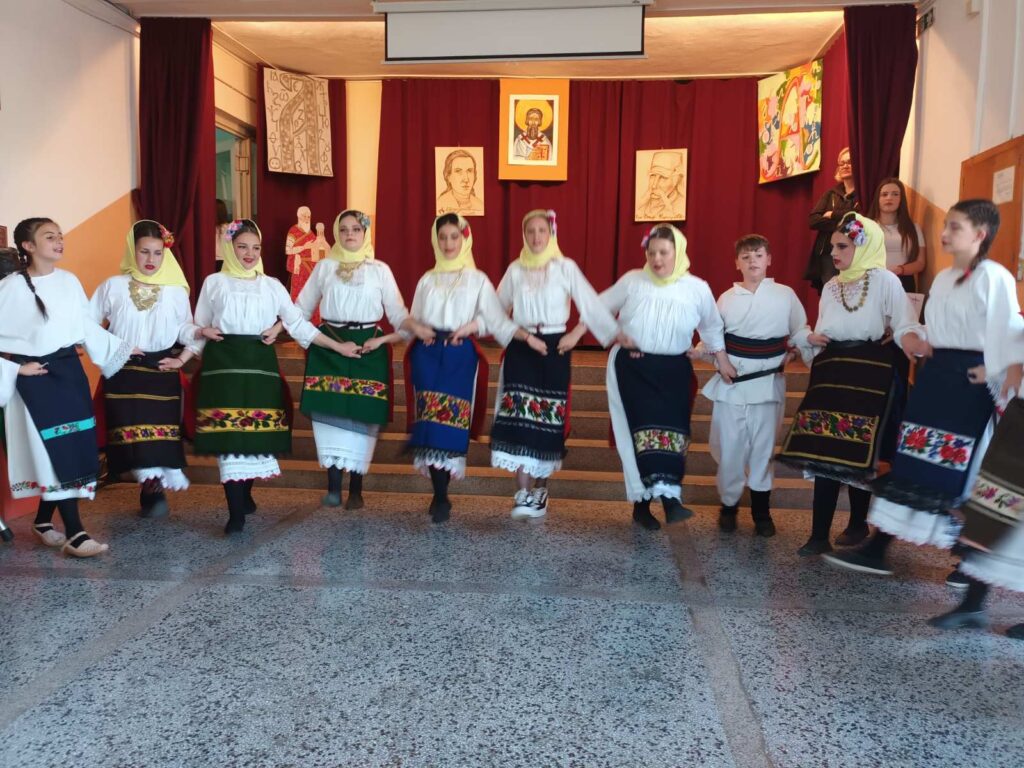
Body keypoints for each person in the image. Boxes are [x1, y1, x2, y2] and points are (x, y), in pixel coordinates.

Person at [825, 200, 1024, 581]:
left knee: (958, 470)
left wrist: (999, 367)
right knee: (914, 462)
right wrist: (921, 339)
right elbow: (941, 328)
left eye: (955, 227)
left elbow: (1009, 328)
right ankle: (878, 548)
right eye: (945, 225)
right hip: (937, 378)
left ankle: (971, 564)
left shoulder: (994, 276)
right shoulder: (945, 279)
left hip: (970, 382)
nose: (944, 233)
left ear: (980, 234)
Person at [191, 219, 357, 535]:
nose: (249, 253)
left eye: (255, 247)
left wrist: (336, 346)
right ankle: (235, 514)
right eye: (242, 246)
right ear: (230, 247)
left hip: (260, 368)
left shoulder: (271, 285)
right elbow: (197, 325)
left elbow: (298, 323)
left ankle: (245, 494)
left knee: (255, 438)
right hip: (224, 369)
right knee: (229, 439)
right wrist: (195, 340)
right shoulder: (215, 282)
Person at [779, 213, 922, 556]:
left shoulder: (886, 280)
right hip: (832, 369)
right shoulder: (831, 286)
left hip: (869, 370)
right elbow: (825, 327)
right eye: (833, 247)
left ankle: (857, 524)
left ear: (863, 246)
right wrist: (811, 340)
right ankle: (818, 534)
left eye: (842, 246)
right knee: (823, 450)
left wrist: (911, 340)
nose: (834, 253)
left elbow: (905, 323)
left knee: (860, 449)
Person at [0, 218, 138, 557]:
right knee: (53, 453)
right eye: (50, 236)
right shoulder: (10, 287)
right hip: (34, 382)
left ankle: (43, 521)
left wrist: (121, 347)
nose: (59, 241)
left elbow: (85, 326)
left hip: (69, 374)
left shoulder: (69, 280)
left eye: (60, 235)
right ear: (28, 246)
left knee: (71, 449)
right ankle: (76, 534)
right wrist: (16, 368)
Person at [490, 209, 618, 519]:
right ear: (524, 235)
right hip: (522, 345)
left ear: (551, 234)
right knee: (520, 418)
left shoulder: (565, 267)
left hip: (554, 345)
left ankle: (541, 490)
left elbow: (592, 304)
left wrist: (576, 333)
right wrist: (520, 334)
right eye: (530, 231)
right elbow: (493, 310)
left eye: (541, 231)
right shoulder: (516, 269)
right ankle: (522, 493)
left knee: (546, 419)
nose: (536, 237)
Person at [601, 223, 728, 530]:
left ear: (678, 252)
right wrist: (616, 333)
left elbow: (712, 327)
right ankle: (651, 505)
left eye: (663, 252)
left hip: (674, 371)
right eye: (652, 252)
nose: (657, 259)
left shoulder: (697, 288)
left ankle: (668, 497)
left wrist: (721, 360)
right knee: (641, 433)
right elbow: (597, 307)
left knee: (673, 434)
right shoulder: (633, 281)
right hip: (634, 368)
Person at [403, 214, 521, 524]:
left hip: (459, 354)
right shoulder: (427, 279)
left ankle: (442, 493)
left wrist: (471, 326)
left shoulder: (476, 278)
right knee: (429, 422)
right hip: (428, 353)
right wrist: (419, 329)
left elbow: (494, 317)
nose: (448, 243)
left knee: (450, 422)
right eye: (442, 237)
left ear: (464, 239)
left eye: (454, 236)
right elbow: (414, 317)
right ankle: (440, 494)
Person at [295, 210, 410, 510]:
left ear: (365, 233)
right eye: (344, 229)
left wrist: (393, 336)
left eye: (356, 229)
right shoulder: (325, 267)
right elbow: (299, 311)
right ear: (337, 233)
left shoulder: (380, 270)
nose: (349, 234)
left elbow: (398, 315)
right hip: (330, 346)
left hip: (367, 348)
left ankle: (356, 489)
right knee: (331, 417)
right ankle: (333, 487)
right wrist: (312, 338)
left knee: (362, 416)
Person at [702, 234, 810, 537]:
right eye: (746, 257)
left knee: (763, 448)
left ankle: (762, 511)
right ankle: (729, 506)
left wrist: (798, 348)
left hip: (767, 381)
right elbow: (713, 336)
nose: (753, 261)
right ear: (736, 263)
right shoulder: (726, 298)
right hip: (733, 381)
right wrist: (719, 360)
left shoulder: (785, 295)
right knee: (731, 447)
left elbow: (799, 331)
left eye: (758, 255)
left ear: (769, 259)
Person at [90, 220, 196, 518]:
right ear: (131, 251)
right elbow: (86, 323)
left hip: (161, 369)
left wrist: (184, 357)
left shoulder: (175, 291)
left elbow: (185, 327)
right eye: (144, 251)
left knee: (160, 435)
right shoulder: (113, 286)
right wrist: (118, 347)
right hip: (124, 370)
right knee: (132, 434)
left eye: (158, 252)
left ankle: (154, 488)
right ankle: (148, 484)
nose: (151, 259)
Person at [804, 147, 857, 293]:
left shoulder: (864, 193)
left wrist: (832, 214)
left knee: (851, 296)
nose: (845, 166)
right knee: (831, 296)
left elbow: (859, 219)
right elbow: (813, 220)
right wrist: (842, 223)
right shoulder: (831, 194)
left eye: (849, 162)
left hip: (855, 253)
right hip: (828, 254)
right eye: (842, 163)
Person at [867, 177, 926, 293]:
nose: (889, 198)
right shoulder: (866, 227)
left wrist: (900, 270)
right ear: (877, 199)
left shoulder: (914, 228)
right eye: (884, 194)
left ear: (901, 199)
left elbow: (920, 263)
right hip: (872, 281)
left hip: (903, 282)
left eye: (895, 194)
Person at [635, 151, 687, 221]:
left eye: (663, 177)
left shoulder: (681, 205)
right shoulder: (642, 203)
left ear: (677, 180)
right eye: (653, 175)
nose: (654, 185)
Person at [286, 205, 319, 307]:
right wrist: (304, 247)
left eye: (308, 216)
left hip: (311, 269)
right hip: (299, 268)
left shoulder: (311, 233)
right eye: (304, 216)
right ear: (299, 216)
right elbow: (288, 250)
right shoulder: (293, 231)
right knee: (299, 295)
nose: (307, 219)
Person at [436, 150, 484, 217]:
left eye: (469, 171)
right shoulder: (440, 205)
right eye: (458, 171)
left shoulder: (480, 206)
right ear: (448, 176)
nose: (466, 179)